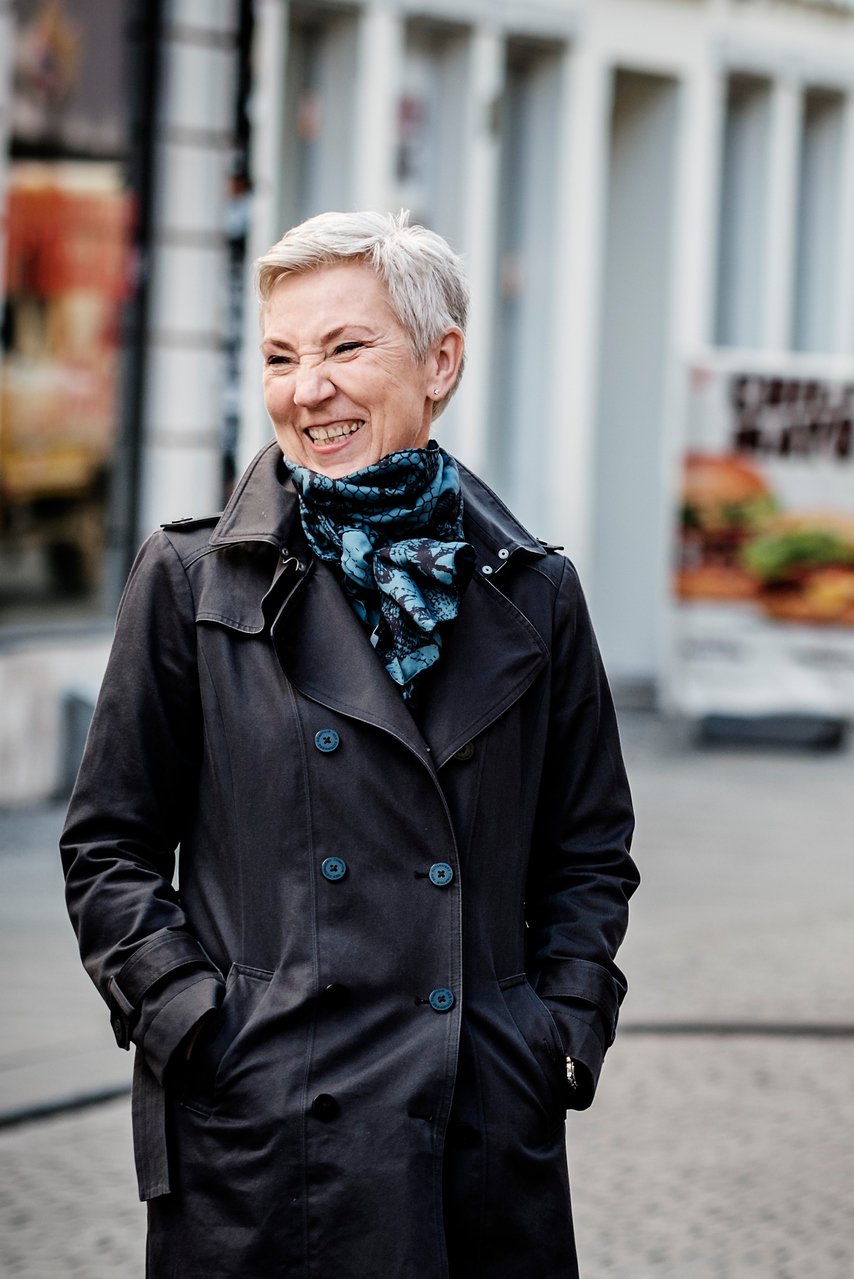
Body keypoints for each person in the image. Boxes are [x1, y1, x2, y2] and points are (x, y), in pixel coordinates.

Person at [60, 211, 638, 1276]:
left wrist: (554, 1026)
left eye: (343, 349)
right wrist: (194, 1022)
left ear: (440, 362)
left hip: (473, 1127)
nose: (306, 389)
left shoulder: (532, 589)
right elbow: (109, 847)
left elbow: (590, 847)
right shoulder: (196, 582)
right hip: (269, 1133)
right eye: (280, 357)